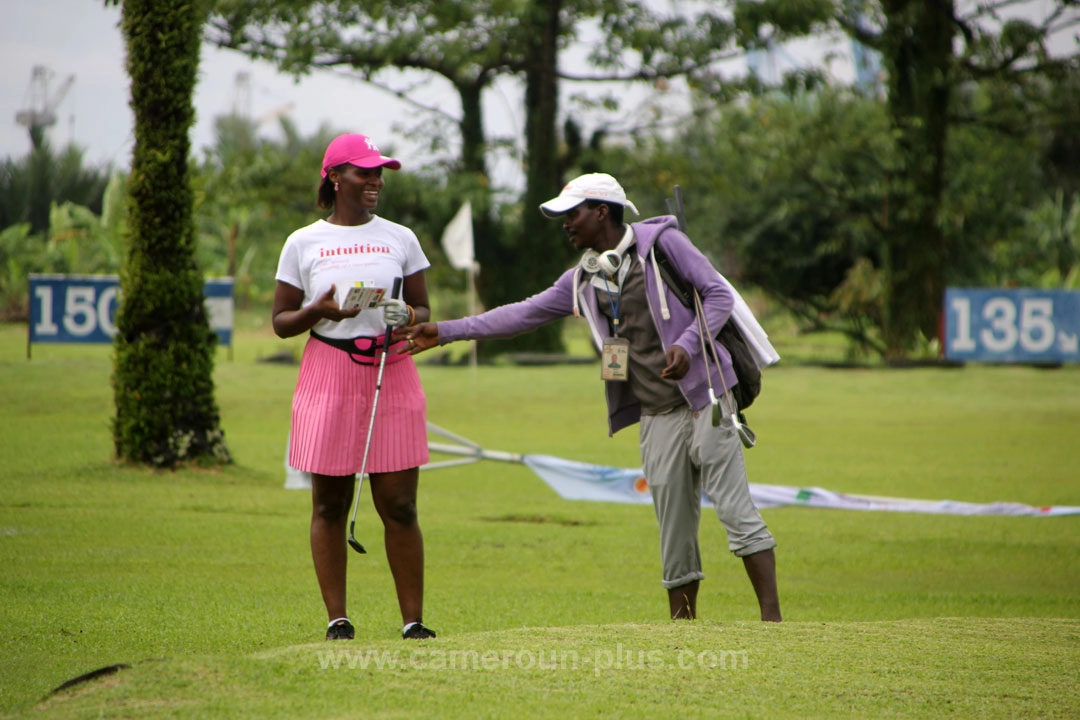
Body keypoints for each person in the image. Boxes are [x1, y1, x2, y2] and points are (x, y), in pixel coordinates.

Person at [399, 173, 781, 622]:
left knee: (735, 509)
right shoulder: (583, 278)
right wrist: (444, 332)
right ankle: (683, 629)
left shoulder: (665, 245)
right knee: (673, 526)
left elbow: (718, 294)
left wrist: (688, 344)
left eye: (571, 213)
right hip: (656, 412)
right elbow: (521, 315)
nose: (565, 223)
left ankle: (771, 623)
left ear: (602, 211)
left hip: (707, 397)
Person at [273, 133, 437, 640]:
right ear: (334, 177)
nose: (374, 181)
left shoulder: (400, 237)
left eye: (379, 172)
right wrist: (315, 312)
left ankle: (413, 623)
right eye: (364, 172)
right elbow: (281, 321)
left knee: (401, 506)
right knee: (328, 505)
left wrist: (402, 315)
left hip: (391, 371)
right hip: (328, 371)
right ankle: (337, 620)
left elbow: (424, 309)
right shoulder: (303, 242)